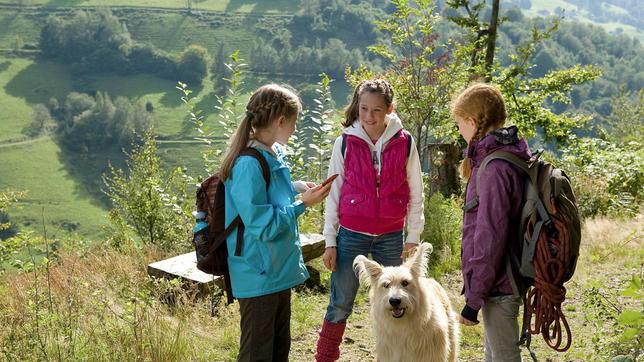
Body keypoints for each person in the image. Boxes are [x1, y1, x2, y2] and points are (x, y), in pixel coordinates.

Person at [314, 79, 425, 362]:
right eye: (363, 109)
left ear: (390, 109)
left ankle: (397, 356)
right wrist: (330, 241)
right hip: (351, 234)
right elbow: (334, 193)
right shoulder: (344, 142)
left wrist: (413, 235)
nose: (369, 117)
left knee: (394, 302)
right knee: (340, 303)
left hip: (391, 235)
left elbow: (416, 188)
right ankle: (325, 357)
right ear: (357, 107)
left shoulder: (405, 142)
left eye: (376, 110)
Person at [221, 84, 332, 362]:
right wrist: (303, 204)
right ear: (281, 121)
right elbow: (264, 226)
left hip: (274, 270)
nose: (294, 130)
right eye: (294, 123)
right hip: (258, 272)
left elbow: (267, 194)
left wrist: (294, 187)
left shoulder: (270, 152)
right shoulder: (248, 163)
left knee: (278, 349)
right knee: (257, 353)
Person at [452, 82, 531, 362]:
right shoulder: (505, 155)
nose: (459, 131)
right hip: (500, 280)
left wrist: (473, 302)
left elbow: (490, 238)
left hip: (500, 282)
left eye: (460, 123)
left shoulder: (494, 169)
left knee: (504, 357)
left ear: (473, 122)